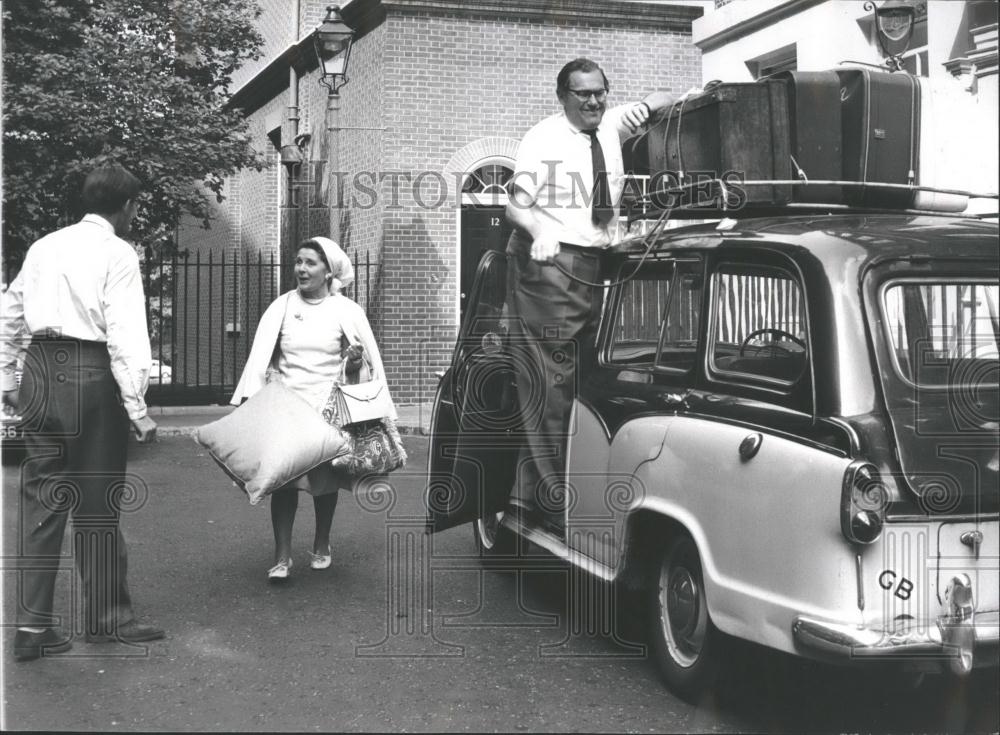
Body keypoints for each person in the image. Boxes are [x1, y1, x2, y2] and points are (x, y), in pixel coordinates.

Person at [1, 164, 164, 662]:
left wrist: (8, 379)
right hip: (90, 375)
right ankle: (106, 619)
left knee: (41, 504)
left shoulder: (44, 246)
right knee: (97, 506)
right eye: (137, 207)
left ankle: (32, 629)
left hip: (40, 373)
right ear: (128, 205)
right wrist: (137, 406)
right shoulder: (118, 252)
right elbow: (126, 333)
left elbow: (10, 313)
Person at [504, 58, 677, 526]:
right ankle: (554, 502)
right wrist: (540, 230)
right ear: (563, 97)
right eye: (583, 94)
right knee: (552, 385)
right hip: (550, 265)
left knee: (586, 380)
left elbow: (659, 100)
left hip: (597, 264)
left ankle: (526, 494)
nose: (594, 101)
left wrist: (657, 103)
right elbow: (515, 206)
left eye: (600, 92)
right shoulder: (544, 137)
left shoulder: (609, 125)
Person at [231, 237, 396, 581]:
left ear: (327, 272)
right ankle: (281, 557)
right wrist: (251, 405)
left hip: (328, 410)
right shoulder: (282, 306)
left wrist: (353, 363)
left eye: (310, 263)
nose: (301, 269)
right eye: (298, 261)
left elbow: (365, 368)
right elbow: (260, 359)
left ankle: (322, 544)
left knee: (324, 485)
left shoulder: (345, 311)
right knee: (284, 483)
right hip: (288, 408)